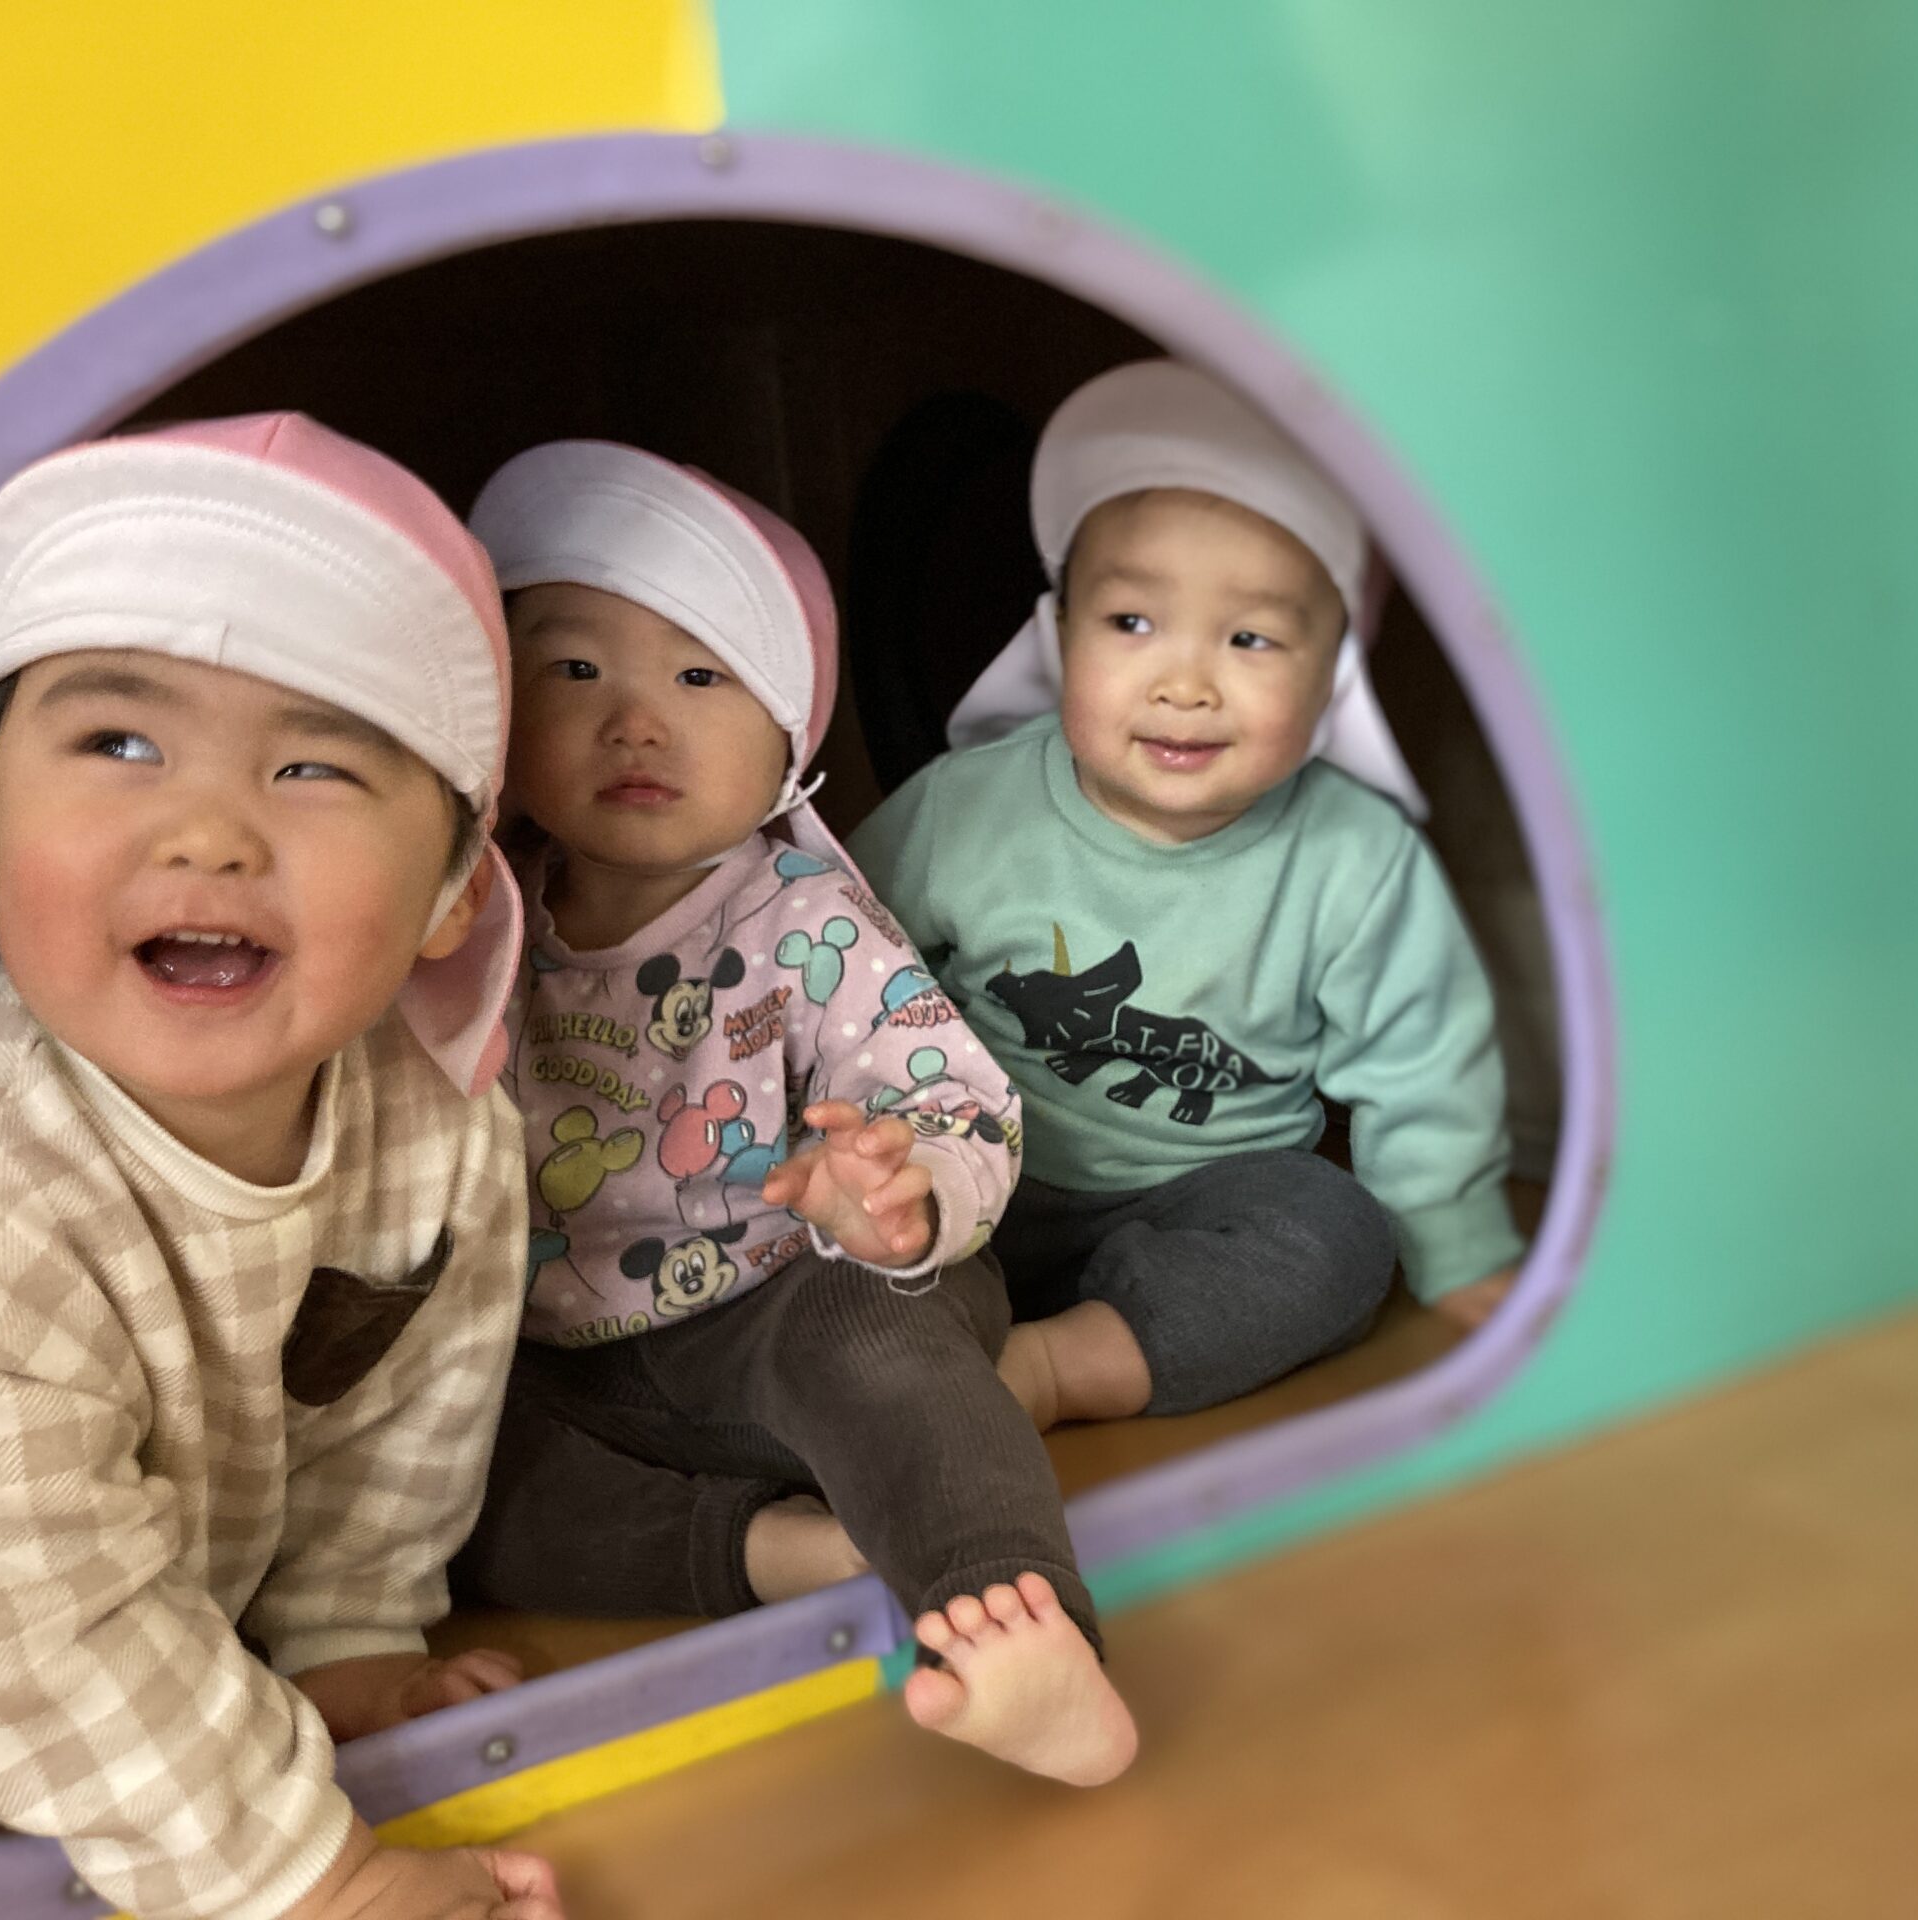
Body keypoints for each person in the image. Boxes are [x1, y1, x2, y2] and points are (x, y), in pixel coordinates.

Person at [0, 414, 561, 1920]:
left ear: (456, 890)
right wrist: (312, 1881)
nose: (209, 834)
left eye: (315, 764)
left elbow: (404, 1410)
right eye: (118, 745)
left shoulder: (435, 1116)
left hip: (167, 1590)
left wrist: (349, 1637)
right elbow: (34, 1630)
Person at [449, 439, 1135, 1788]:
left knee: (875, 1344)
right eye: (573, 670)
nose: (634, 722)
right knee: (448, 1493)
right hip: (561, 1357)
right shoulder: (472, 910)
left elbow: (947, 1089)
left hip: (785, 1306)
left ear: (787, 741)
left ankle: (1020, 1628)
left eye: (701, 677)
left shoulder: (801, 916)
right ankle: (798, 1554)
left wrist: (898, 1192)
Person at [848, 360, 1524, 1432]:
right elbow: (836, 957)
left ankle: (1056, 1367)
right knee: (839, 1226)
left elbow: (1419, 1063)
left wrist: (1459, 1253)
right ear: (1055, 635)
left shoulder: (1353, 855)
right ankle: (922, 1351)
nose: (1185, 684)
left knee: (1340, 1235)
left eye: (1250, 638)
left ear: (1333, 674)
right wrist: (873, 1153)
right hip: (974, 1163)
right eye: (1131, 622)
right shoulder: (965, 807)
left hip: (1212, 1198)